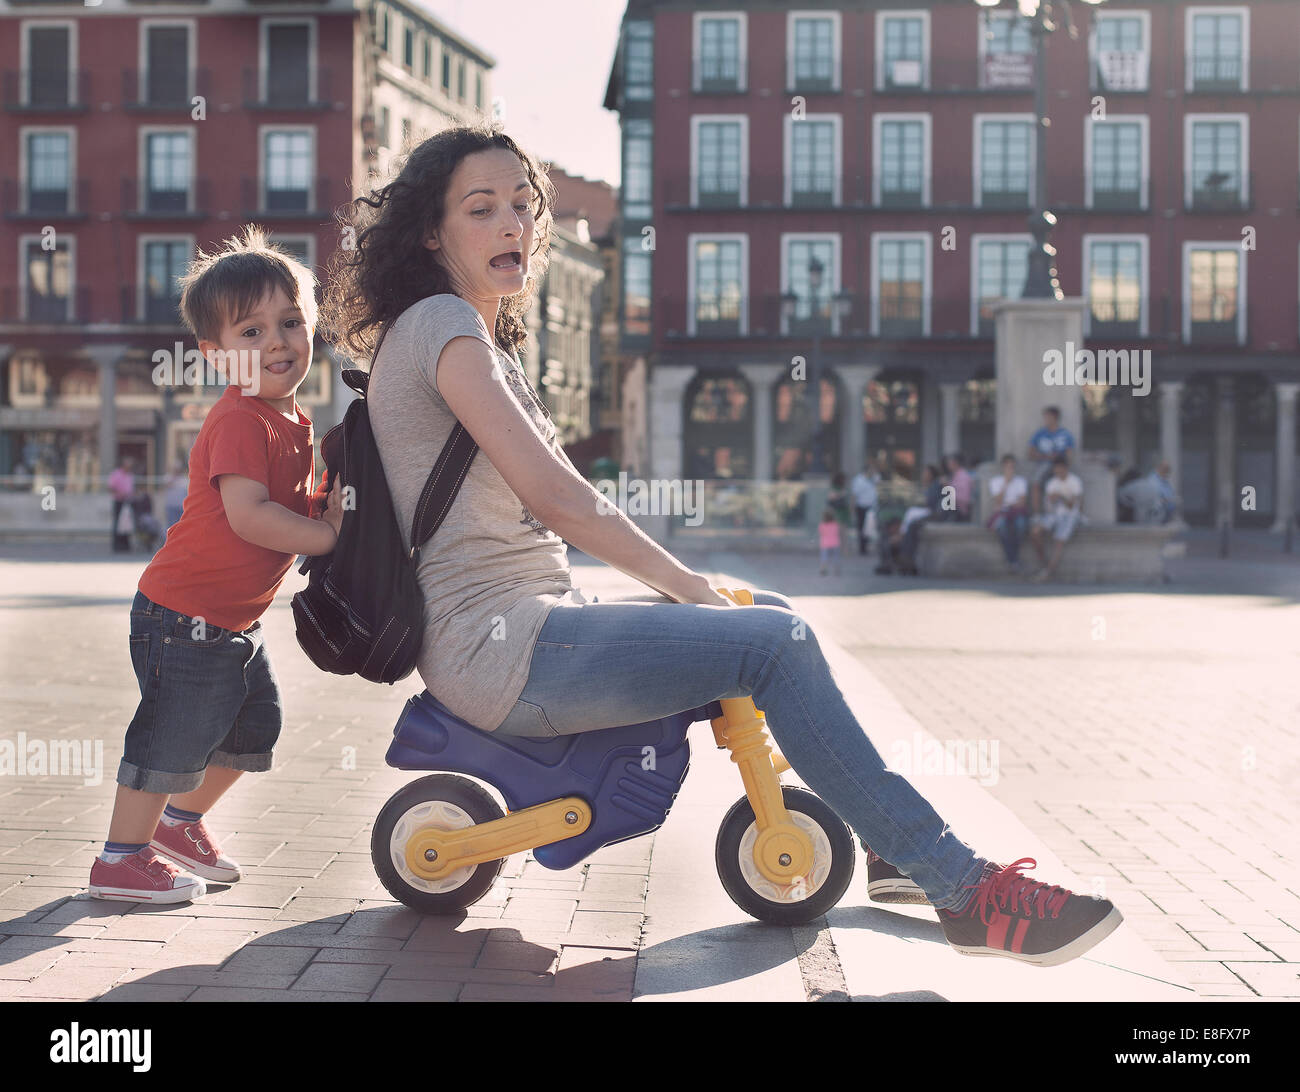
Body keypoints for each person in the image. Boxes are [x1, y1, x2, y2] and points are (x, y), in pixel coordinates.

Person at [320, 121, 1121, 966]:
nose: (512, 224)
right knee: (774, 642)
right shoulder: (445, 323)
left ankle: (897, 856)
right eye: (482, 209)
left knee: (762, 609)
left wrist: (697, 586)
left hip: (528, 627)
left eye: (523, 205)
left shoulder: (474, 336)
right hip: (501, 648)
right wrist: (681, 581)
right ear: (430, 232)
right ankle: (969, 893)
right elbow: (557, 497)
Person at [88, 226, 345, 904]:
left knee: (253, 723)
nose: (278, 342)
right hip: (182, 614)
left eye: (290, 322)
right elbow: (250, 515)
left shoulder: (291, 418)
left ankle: (180, 824)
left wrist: (324, 502)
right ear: (216, 357)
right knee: (175, 732)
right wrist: (325, 535)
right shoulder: (239, 421)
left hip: (230, 620)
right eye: (251, 333)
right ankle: (120, 859)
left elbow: (288, 499)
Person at [1030, 456, 1084, 582]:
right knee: (1035, 532)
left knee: (1059, 540)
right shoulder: (1052, 483)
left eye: (1060, 469)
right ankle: (1044, 563)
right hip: (1054, 515)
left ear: (1066, 468)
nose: (1058, 472)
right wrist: (1051, 501)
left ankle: (1048, 571)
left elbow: (1073, 505)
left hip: (1070, 515)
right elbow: (1048, 507)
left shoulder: (1074, 481)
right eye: (1056, 470)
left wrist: (1061, 497)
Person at [1027, 406, 1076, 514]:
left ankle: (1065, 512)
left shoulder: (1065, 434)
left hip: (1060, 466)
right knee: (1035, 482)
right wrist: (1045, 457)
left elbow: (1069, 454)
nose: (1045, 420)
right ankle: (1037, 514)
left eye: (1047, 417)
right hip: (1044, 464)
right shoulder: (1039, 434)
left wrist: (1062, 463)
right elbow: (1030, 454)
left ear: (1054, 418)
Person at [987, 453, 1029, 568]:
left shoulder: (1021, 481)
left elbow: (1022, 503)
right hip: (1002, 513)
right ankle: (1012, 560)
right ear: (1003, 467)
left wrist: (1008, 505)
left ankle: (1013, 559)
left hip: (1017, 512)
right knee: (1002, 528)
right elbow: (998, 501)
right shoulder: (995, 481)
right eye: (1008, 466)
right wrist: (1006, 483)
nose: (1010, 469)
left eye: (1012, 466)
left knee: (1020, 526)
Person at [849, 459, 879, 555]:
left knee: (869, 528)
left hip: (871, 507)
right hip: (861, 506)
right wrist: (852, 507)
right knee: (861, 527)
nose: (872, 472)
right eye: (871, 470)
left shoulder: (874, 478)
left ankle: (866, 546)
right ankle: (862, 548)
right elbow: (854, 495)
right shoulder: (858, 480)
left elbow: (878, 480)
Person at [107, 456, 136, 552]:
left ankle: (126, 545)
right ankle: (117, 545)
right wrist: (120, 493)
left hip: (128, 501)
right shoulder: (116, 474)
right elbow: (111, 487)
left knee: (127, 523)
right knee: (117, 523)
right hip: (119, 501)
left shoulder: (130, 475)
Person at [943, 453, 973, 522]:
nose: (947, 465)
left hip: (960, 509)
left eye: (949, 463)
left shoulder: (963, 476)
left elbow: (964, 498)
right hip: (955, 507)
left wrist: (947, 487)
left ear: (955, 463)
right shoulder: (956, 475)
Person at [162, 461, 188, 537]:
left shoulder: (184, 480)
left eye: (178, 469)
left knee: (180, 527)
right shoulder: (167, 477)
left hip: (180, 507)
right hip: (170, 507)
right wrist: (174, 476)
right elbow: (167, 485)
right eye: (175, 469)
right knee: (170, 526)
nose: (177, 471)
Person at [818, 506, 842, 576]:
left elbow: (821, 533)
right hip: (835, 543)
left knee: (824, 558)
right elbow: (838, 532)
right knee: (836, 558)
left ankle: (823, 569)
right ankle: (837, 570)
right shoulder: (836, 524)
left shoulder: (822, 525)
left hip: (825, 544)